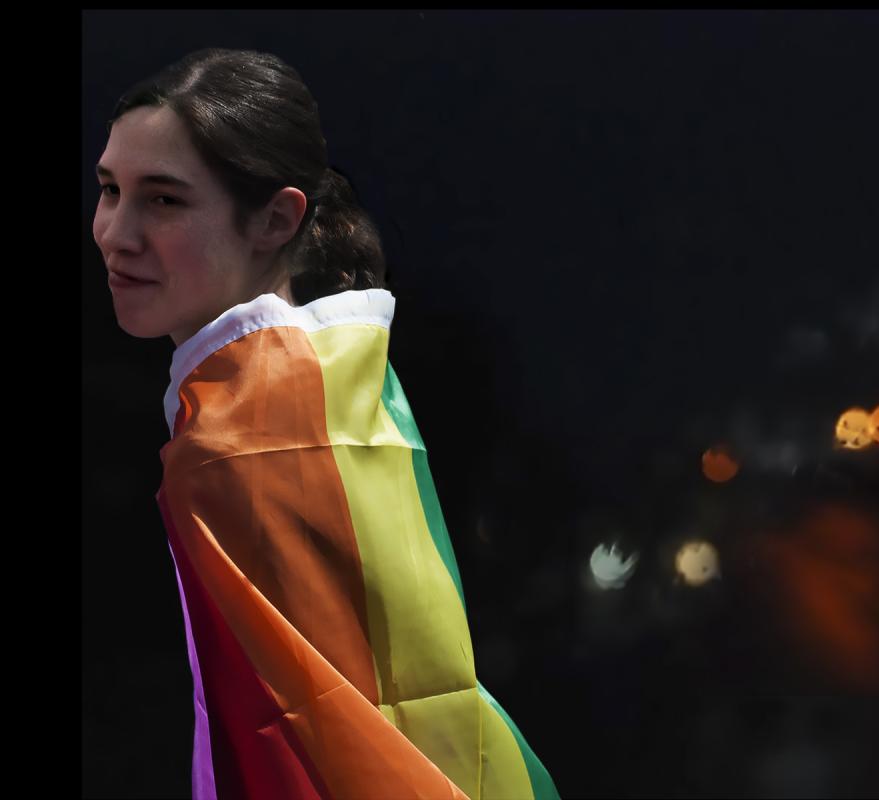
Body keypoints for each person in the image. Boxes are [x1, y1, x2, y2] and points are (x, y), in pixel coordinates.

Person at [92, 47, 559, 800]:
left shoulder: (230, 446)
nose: (115, 232)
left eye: (164, 200)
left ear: (276, 218)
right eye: (110, 190)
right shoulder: (354, 378)